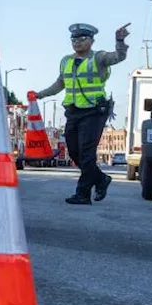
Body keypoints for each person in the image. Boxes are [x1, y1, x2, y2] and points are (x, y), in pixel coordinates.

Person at [33, 22, 129, 205]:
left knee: (86, 153)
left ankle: (83, 194)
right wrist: (40, 95)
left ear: (91, 41)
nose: (77, 42)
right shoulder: (66, 61)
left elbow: (119, 57)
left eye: (82, 39)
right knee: (75, 153)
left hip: (94, 112)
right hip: (73, 112)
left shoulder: (99, 58)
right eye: (74, 39)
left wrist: (120, 40)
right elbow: (59, 84)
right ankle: (101, 179)